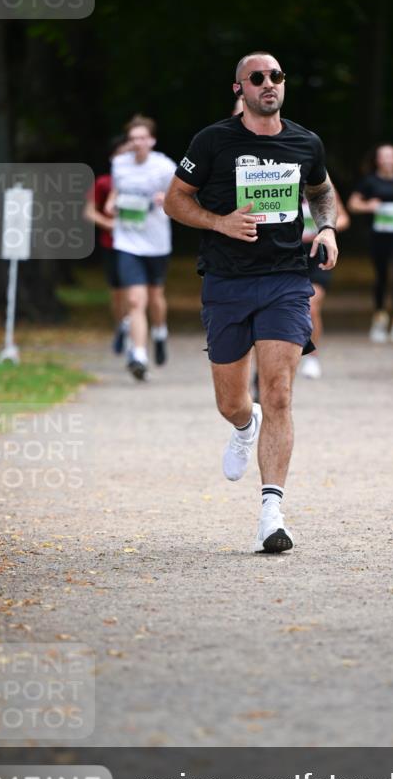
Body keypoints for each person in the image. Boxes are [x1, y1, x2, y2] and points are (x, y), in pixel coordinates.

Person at [164, 51, 338, 553]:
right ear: (239, 88)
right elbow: (175, 199)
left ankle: (271, 512)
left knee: (279, 390)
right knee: (232, 401)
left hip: (285, 278)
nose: (269, 84)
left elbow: (322, 190)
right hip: (226, 280)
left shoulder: (305, 142)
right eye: (258, 78)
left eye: (277, 76)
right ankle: (245, 424)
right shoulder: (213, 141)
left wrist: (324, 227)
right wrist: (219, 223)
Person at [105, 115, 177, 381]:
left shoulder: (164, 166)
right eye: (133, 138)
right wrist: (111, 203)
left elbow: (183, 193)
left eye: (142, 138)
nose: (137, 142)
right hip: (127, 241)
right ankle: (138, 355)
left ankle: (159, 331)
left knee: (155, 297)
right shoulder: (119, 164)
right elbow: (116, 191)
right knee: (135, 300)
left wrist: (166, 197)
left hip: (157, 242)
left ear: (152, 140)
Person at [347, 143, 393, 343]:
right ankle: (379, 316)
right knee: (381, 277)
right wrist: (368, 206)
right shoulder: (369, 182)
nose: (388, 160)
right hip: (378, 237)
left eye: (391, 156)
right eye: (384, 157)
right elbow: (353, 204)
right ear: (378, 160)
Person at [83, 135, 130, 354]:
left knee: (137, 292)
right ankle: (121, 326)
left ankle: (134, 331)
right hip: (112, 243)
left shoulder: (144, 180)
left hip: (139, 244)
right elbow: (89, 212)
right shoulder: (104, 182)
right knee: (118, 293)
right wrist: (110, 224)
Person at [300, 187, 350, 379]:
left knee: (312, 307)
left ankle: (312, 358)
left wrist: (326, 229)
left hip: (317, 255)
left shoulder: (321, 184)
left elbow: (344, 218)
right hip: (289, 255)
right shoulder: (281, 181)